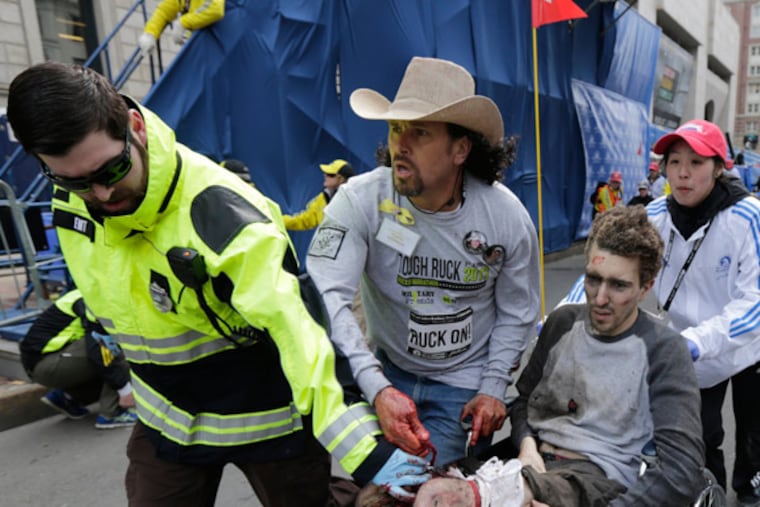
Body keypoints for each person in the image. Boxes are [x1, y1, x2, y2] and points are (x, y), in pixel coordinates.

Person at [6, 62, 430, 506]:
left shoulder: (219, 211)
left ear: (136, 127)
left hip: (264, 416)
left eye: (111, 171)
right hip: (167, 416)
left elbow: (299, 332)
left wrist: (366, 451)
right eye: (74, 181)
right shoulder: (72, 200)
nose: (102, 195)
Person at [306, 56, 541, 466]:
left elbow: (517, 312)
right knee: (374, 490)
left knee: (435, 492)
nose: (401, 144)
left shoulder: (507, 218)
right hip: (384, 370)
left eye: (420, 132)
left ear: (460, 149)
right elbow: (326, 297)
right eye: (396, 129)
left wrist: (491, 387)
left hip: (464, 385)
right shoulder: (359, 201)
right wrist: (375, 387)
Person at [410, 205, 705, 507]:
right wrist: (526, 446)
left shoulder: (664, 350)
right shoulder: (562, 324)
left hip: (594, 480)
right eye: (593, 279)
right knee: (405, 493)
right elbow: (524, 402)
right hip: (529, 461)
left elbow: (680, 469)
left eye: (618, 285)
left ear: (646, 288)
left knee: (462, 499)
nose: (600, 298)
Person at [648, 119, 760, 505]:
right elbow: (606, 268)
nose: (682, 172)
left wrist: (697, 340)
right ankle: (706, 494)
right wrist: (561, 320)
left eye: (696, 162)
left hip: (749, 346)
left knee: (754, 433)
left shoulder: (748, 217)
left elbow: (756, 302)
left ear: (718, 167)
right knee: (700, 434)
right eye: (674, 160)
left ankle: (749, 491)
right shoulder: (653, 217)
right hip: (690, 350)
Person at [19, 289, 137, 429]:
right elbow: (100, 349)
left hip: (43, 364)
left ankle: (69, 398)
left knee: (105, 356)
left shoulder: (88, 291)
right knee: (116, 347)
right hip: (48, 365)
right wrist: (125, 389)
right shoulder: (94, 301)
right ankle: (111, 414)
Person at [283, 159, 354, 230]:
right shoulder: (323, 198)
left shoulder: (354, 200)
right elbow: (305, 219)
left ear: (341, 179)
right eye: (325, 173)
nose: (325, 176)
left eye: (330, 174)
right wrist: (279, 221)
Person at [137, 0, 225, 56]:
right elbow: (164, 11)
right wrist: (150, 34)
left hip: (221, 43)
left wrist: (183, 23)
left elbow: (215, 8)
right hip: (199, 48)